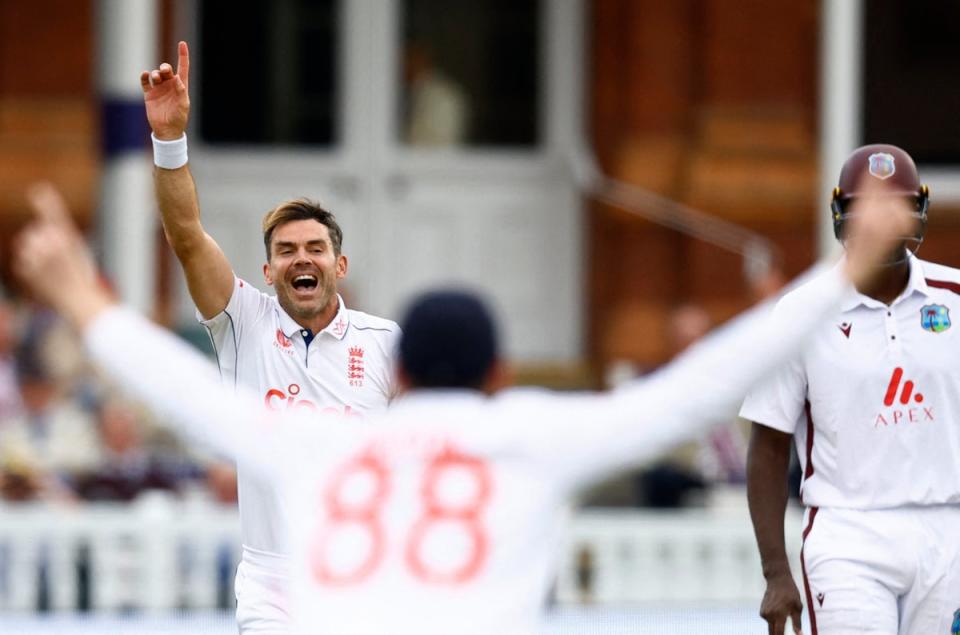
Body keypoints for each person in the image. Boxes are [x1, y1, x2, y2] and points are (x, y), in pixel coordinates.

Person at [12, 179, 913, 634]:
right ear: (500, 372)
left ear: (395, 374)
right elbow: (697, 389)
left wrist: (83, 300)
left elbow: (188, 396)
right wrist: (842, 272)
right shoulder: (530, 434)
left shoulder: (323, 447)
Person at [141, 42, 401, 631]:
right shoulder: (244, 323)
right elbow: (185, 235)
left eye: (315, 249)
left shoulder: (387, 342)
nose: (299, 259)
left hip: (362, 575)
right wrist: (169, 139)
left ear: (340, 266)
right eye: (285, 251)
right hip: (273, 584)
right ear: (266, 271)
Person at [741, 144, 960, 635]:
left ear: (918, 211)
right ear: (842, 214)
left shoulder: (956, 298)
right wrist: (776, 573)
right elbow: (769, 448)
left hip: (950, 529)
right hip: (848, 535)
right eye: (866, 209)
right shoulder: (800, 313)